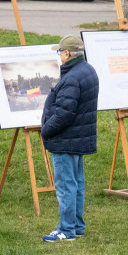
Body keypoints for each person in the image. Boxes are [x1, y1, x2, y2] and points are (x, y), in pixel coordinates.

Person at [40, 34, 99, 242]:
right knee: (76, 183)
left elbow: (64, 114)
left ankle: (66, 230)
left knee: (66, 185)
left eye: (60, 52)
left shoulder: (72, 77)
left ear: (67, 54)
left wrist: (45, 130)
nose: (59, 56)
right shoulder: (87, 70)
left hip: (65, 140)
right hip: (77, 139)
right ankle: (77, 226)